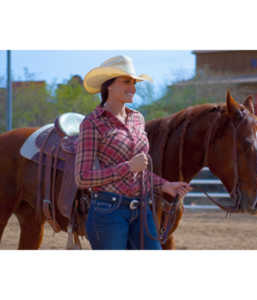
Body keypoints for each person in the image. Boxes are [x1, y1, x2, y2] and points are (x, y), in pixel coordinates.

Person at [75, 55, 192, 250]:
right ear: (109, 85)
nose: (133, 88)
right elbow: (82, 178)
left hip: (143, 210)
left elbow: (140, 170)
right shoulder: (92, 123)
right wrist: (127, 167)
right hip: (108, 211)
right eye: (126, 81)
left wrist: (165, 185)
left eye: (134, 82)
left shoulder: (137, 118)